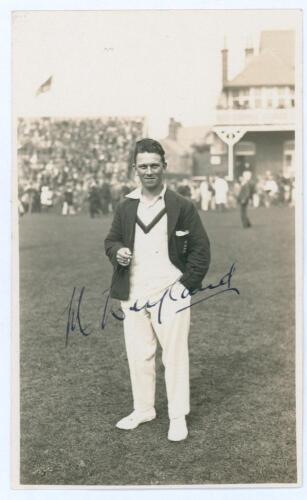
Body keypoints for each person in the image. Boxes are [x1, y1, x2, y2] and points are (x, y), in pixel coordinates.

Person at [105, 138, 210, 442]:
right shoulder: (126, 205)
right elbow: (110, 240)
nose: (149, 171)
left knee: (174, 356)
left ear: (165, 166)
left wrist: (184, 287)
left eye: (154, 165)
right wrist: (118, 252)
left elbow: (201, 251)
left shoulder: (182, 205)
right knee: (139, 355)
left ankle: (178, 416)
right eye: (143, 166)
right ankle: (144, 409)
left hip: (170, 292)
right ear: (134, 169)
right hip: (134, 292)